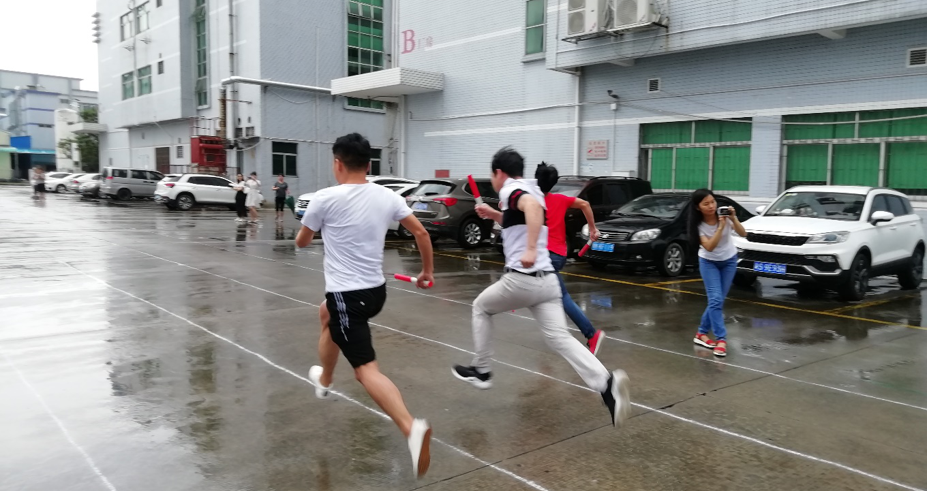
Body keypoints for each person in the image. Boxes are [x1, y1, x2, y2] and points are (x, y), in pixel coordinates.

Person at [452, 147, 631, 428]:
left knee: (481, 308)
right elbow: (523, 217)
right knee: (559, 338)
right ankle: (607, 385)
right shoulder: (532, 190)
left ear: (499, 173)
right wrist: (493, 214)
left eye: (493, 176)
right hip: (547, 282)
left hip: (521, 279)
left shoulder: (510, 190)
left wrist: (531, 248)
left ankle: (482, 370)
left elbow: (532, 211)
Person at [296, 132, 436, 478]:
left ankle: (410, 427)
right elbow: (421, 233)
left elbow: (301, 242)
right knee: (325, 313)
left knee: (365, 370)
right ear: (369, 164)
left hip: (348, 297)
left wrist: (318, 229)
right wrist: (426, 272)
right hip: (375, 293)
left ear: (337, 163)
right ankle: (326, 379)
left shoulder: (324, 198)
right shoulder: (387, 196)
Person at [535, 162, 605, 355]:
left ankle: (591, 334)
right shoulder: (559, 199)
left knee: (560, 296)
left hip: (545, 256)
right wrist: (592, 229)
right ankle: (557, 333)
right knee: (546, 295)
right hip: (559, 254)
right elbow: (585, 204)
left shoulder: (530, 201)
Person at [688, 189, 747, 357]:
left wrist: (733, 218)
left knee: (718, 300)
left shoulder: (724, 216)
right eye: (706, 204)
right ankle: (721, 339)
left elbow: (743, 233)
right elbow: (709, 246)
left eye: (712, 202)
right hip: (709, 262)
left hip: (729, 261)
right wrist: (720, 227)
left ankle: (701, 333)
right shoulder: (698, 225)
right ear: (698, 207)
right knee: (715, 299)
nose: (711, 206)